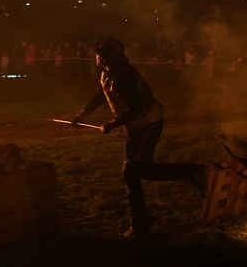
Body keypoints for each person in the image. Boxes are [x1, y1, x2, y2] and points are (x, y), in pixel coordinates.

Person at [70, 37, 205, 238]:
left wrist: (112, 124)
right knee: (143, 170)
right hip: (138, 127)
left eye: (98, 54)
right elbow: (101, 94)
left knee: (132, 172)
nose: (96, 57)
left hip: (146, 125)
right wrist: (83, 114)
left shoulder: (123, 76)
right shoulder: (109, 74)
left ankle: (140, 228)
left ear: (105, 57)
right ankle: (194, 173)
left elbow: (136, 108)